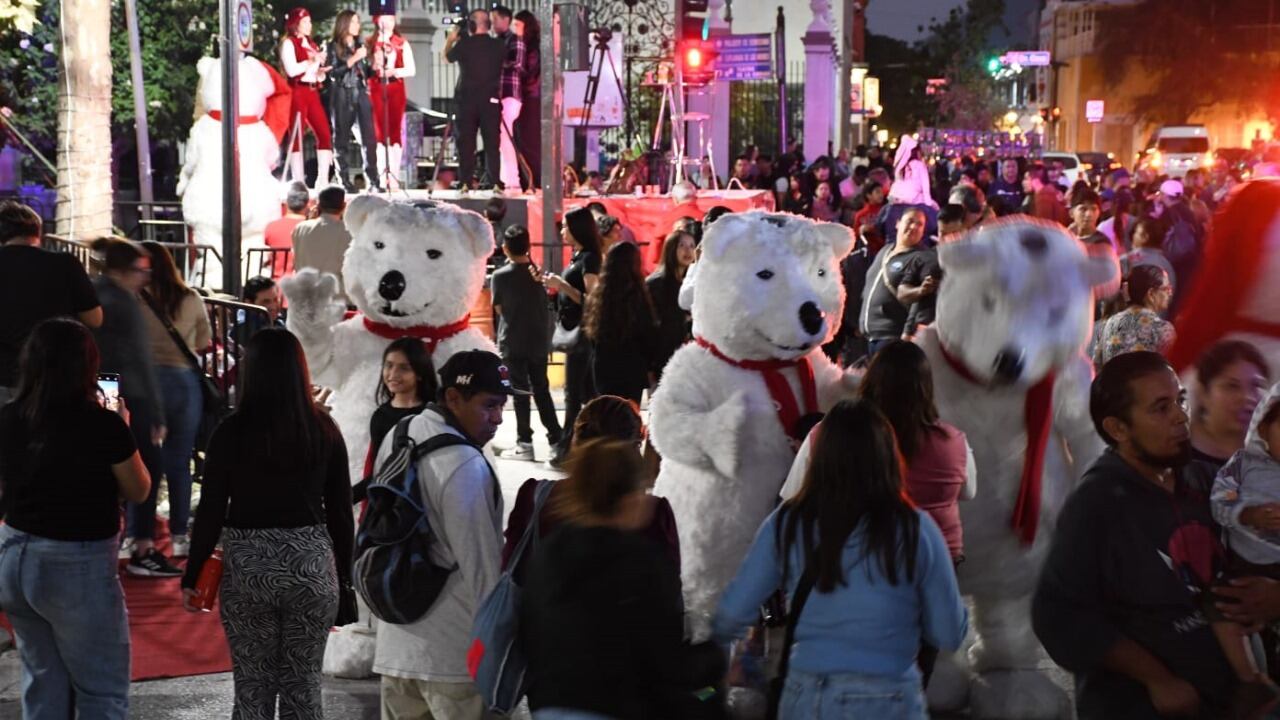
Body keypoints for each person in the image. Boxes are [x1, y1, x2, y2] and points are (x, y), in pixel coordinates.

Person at [714, 400, 968, 718]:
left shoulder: (788, 522)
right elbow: (948, 632)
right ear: (888, 457)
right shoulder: (916, 528)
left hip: (809, 698)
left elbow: (732, 613)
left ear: (819, 458)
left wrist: (734, 661)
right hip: (891, 697)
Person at [1032, 351, 1239, 718]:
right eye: (1161, 408)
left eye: (1180, 400)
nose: (1180, 416)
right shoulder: (1095, 506)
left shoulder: (1208, 480)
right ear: (1118, 429)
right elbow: (1058, 616)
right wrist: (1156, 678)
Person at [182, 328, 354, 719]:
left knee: (253, 688)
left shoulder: (230, 432)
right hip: (310, 565)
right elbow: (341, 512)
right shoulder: (324, 430)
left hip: (249, 568)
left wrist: (192, 574)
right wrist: (344, 577)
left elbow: (210, 510)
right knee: (304, 687)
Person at [0, 319, 150, 720]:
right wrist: (124, 428)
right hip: (76, 561)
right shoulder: (103, 424)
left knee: (44, 680)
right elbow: (138, 489)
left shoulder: (11, 417)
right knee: (101, 690)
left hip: (16, 553)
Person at [520, 438, 723, 719]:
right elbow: (663, 660)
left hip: (549, 707)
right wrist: (716, 661)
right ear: (630, 499)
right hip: (613, 708)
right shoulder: (640, 561)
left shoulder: (549, 551)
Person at [373, 350, 516, 718]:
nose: (498, 418)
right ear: (453, 398)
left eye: (502, 406)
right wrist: (502, 652)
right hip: (454, 660)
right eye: (489, 406)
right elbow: (482, 568)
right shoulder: (465, 464)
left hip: (396, 648)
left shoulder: (399, 434)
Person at [502, 394, 679, 574]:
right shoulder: (655, 515)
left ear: (576, 440)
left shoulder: (534, 497)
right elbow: (671, 591)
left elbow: (509, 569)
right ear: (634, 449)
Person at [89, 239, 173, 575]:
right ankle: (143, 546)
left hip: (102, 387)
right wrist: (157, 412)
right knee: (143, 465)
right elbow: (140, 357)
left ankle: (117, 542)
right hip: (130, 395)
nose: (146, 278)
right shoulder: (123, 302)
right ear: (125, 270)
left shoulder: (94, 295)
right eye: (142, 271)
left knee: (105, 467)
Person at [137, 242, 211, 560]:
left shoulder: (133, 300)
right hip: (183, 382)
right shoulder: (191, 297)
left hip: (144, 384)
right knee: (180, 462)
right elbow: (204, 341)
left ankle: (137, 536)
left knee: (141, 460)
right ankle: (180, 535)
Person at [1209, 382, 1280, 694]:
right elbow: (1219, 500)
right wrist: (1247, 515)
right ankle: (1251, 681)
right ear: (1263, 426)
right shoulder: (1242, 464)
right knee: (1224, 607)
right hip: (1243, 565)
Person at [0, 201, 101, 405]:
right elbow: (95, 318)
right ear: (38, 232)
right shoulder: (65, 263)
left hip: (3, 375)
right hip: (55, 375)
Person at [491, 224, 562, 461]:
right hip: (538, 341)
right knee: (542, 390)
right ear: (529, 246)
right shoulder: (540, 274)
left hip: (513, 340)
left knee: (520, 392)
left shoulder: (499, 277)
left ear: (505, 249)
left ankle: (525, 443)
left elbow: (499, 309)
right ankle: (555, 439)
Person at [543, 207, 601, 463]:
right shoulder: (577, 256)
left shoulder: (590, 258)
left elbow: (593, 299)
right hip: (573, 328)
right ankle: (590, 445)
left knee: (574, 392)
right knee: (585, 392)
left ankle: (568, 448)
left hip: (584, 332)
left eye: (566, 226)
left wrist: (563, 285)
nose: (562, 231)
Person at [584, 241, 659, 405]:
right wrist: (651, 364)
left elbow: (591, 333)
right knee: (629, 418)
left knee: (608, 415)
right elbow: (647, 333)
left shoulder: (598, 296)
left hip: (604, 365)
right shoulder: (638, 295)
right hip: (632, 367)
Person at [362, 336, 437, 485]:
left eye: (404, 368)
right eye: (388, 365)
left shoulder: (433, 414)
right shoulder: (380, 416)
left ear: (420, 373)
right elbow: (379, 472)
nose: (393, 374)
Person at [444, 8, 505, 190]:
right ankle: (495, 182)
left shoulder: (464, 45)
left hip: (467, 101)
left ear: (471, 25)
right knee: (492, 143)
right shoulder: (499, 45)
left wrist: (450, 40)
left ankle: (465, 182)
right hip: (491, 100)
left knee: (466, 143)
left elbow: (447, 57)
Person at [1191, 340, 1272, 469]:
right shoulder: (1173, 452)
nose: (1248, 397)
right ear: (1203, 394)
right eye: (1231, 386)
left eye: (1256, 385)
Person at [327, 9, 381, 192]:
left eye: (358, 22)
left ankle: (373, 180)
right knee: (341, 140)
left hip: (361, 92)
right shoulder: (333, 46)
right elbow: (334, 73)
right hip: (343, 94)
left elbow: (366, 73)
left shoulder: (361, 45)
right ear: (344, 24)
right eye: (354, 22)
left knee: (369, 139)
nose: (358, 25)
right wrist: (354, 58)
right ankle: (344, 180)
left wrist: (374, 65)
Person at [860, 208, 927, 358]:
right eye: (910, 221)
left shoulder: (921, 259)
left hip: (893, 338)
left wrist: (908, 333)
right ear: (897, 223)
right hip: (869, 337)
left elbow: (921, 300)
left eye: (920, 224)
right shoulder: (884, 250)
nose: (914, 227)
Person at [280, 7, 334, 188]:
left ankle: (323, 178)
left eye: (309, 22)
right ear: (296, 24)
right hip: (297, 91)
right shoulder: (289, 43)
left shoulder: (311, 44)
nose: (309, 25)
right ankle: (298, 179)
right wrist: (311, 61)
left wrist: (320, 72)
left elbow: (313, 73)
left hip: (312, 91)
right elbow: (292, 70)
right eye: (305, 22)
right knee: (297, 134)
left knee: (324, 133)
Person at [1092, 265, 1176, 367]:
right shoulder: (1163, 330)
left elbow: (1096, 366)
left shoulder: (1110, 323)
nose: (1170, 293)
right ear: (1151, 294)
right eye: (1167, 288)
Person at [367, 13, 416, 191]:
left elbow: (411, 69)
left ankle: (394, 175)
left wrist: (394, 71)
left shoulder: (401, 43)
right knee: (379, 132)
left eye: (391, 19)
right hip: (376, 87)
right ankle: (381, 174)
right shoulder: (370, 43)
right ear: (377, 21)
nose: (387, 23)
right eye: (384, 19)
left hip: (395, 88)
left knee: (395, 131)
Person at [646, 229, 695, 380]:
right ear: (671, 248)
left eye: (692, 246)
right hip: (661, 358)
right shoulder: (656, 283)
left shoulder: (690, 281)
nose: (688, 251)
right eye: (682, 245)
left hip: (685, 357)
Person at [292, 185, 353, 302]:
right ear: (344, 206)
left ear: (318, 205)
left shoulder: (300, 228)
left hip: (306, 295)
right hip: (337, 298)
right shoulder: (348, 232)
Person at [492, 5, 525, 190]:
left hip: (510, 93)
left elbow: (517, 63)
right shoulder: (497, 41)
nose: (493, 24)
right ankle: (507, 177)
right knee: (501, 137)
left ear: (506, 20)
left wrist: (495, 62)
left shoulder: (514, 40)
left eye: (496, 19)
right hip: (498, 93)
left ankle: (513, 179)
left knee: (506, 136)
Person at [512, 10, 542, 191]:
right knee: (524, 143)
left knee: (529, 144)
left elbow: (530, 74)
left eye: (518, 25)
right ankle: (530, 181)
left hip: (530, 98)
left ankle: (533, 182)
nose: (515, 28)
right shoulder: (529, 45)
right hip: (529, 98)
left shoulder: (530, 47)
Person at [1120, 218, 1177, 297]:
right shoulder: (1167, 265)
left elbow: (1121, 292)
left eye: (1136, 232)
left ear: (1145, 237)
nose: (1133, 236)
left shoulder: (1126, 260)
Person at [886, 134, 938, 209]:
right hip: (914, 199)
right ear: (916, 152)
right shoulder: (919, 165)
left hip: (897, 198)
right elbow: (925, 188)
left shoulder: (900, 166)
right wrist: (929, 205)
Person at [235, 275, 286, 343]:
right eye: (266, 302)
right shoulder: (245, 329)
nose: (273, 306)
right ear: (249, 303)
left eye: (275, 299)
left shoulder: (279, 321)